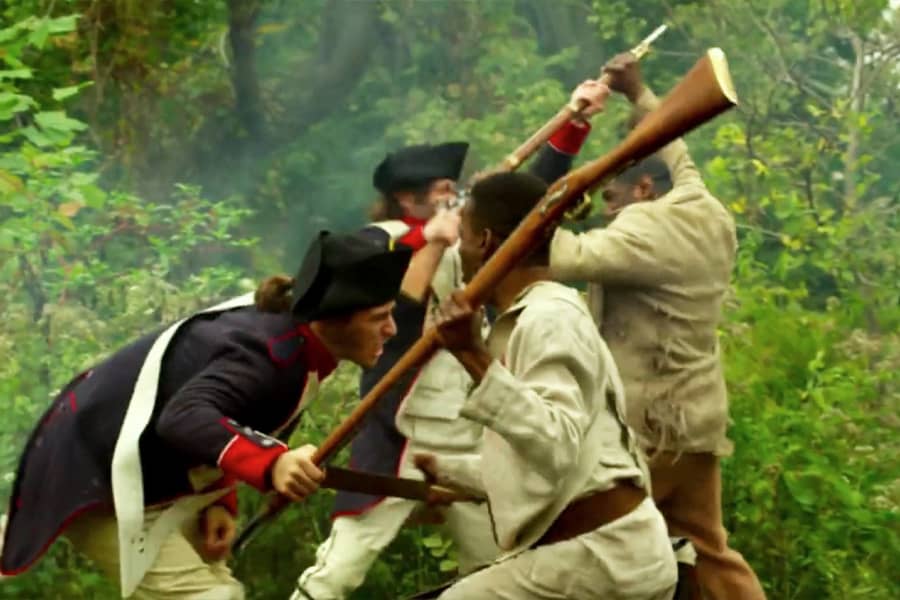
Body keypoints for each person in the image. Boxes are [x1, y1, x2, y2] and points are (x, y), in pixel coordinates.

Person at [294, 81, 610, 600]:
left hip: (472, 426)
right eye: (439, 189)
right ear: (406, 198)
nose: (450, 196)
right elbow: (396, 314)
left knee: (493, 567)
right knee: (341, 569)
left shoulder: (470, 233)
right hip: (403, 427)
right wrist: (431, 240)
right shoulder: (379, 243)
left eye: (452, 188)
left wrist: (573, 125)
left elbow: (526, 208)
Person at [0, 229, 416, 599]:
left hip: (142, 478)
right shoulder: (269, 357)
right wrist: (272, 462)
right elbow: (184, 415)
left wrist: (219, 501)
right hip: (93, 477)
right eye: (378, 318)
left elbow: (229, 417)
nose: (392, 330)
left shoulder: (296, 347)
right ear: (331, 320)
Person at [550, 53, 766, 599]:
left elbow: (563, 258)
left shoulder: (645, 228)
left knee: (586, 541)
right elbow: (677, 146)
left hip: (650, 428)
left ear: (643, 190)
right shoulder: (701, 203)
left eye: (612, 198)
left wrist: (537, 206)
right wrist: (639, 93)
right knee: (708, 549)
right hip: (696, 419)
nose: (608, 211)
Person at [414, 170, 677, 599]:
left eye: (462, 234)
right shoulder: (537, 317)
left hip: (601, 561)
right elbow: (553, 464)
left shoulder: (549, 317)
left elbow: (554, 442)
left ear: (482, 241)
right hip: (612, 558)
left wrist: (473, 355)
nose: (459, 249)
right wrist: (446, 470)